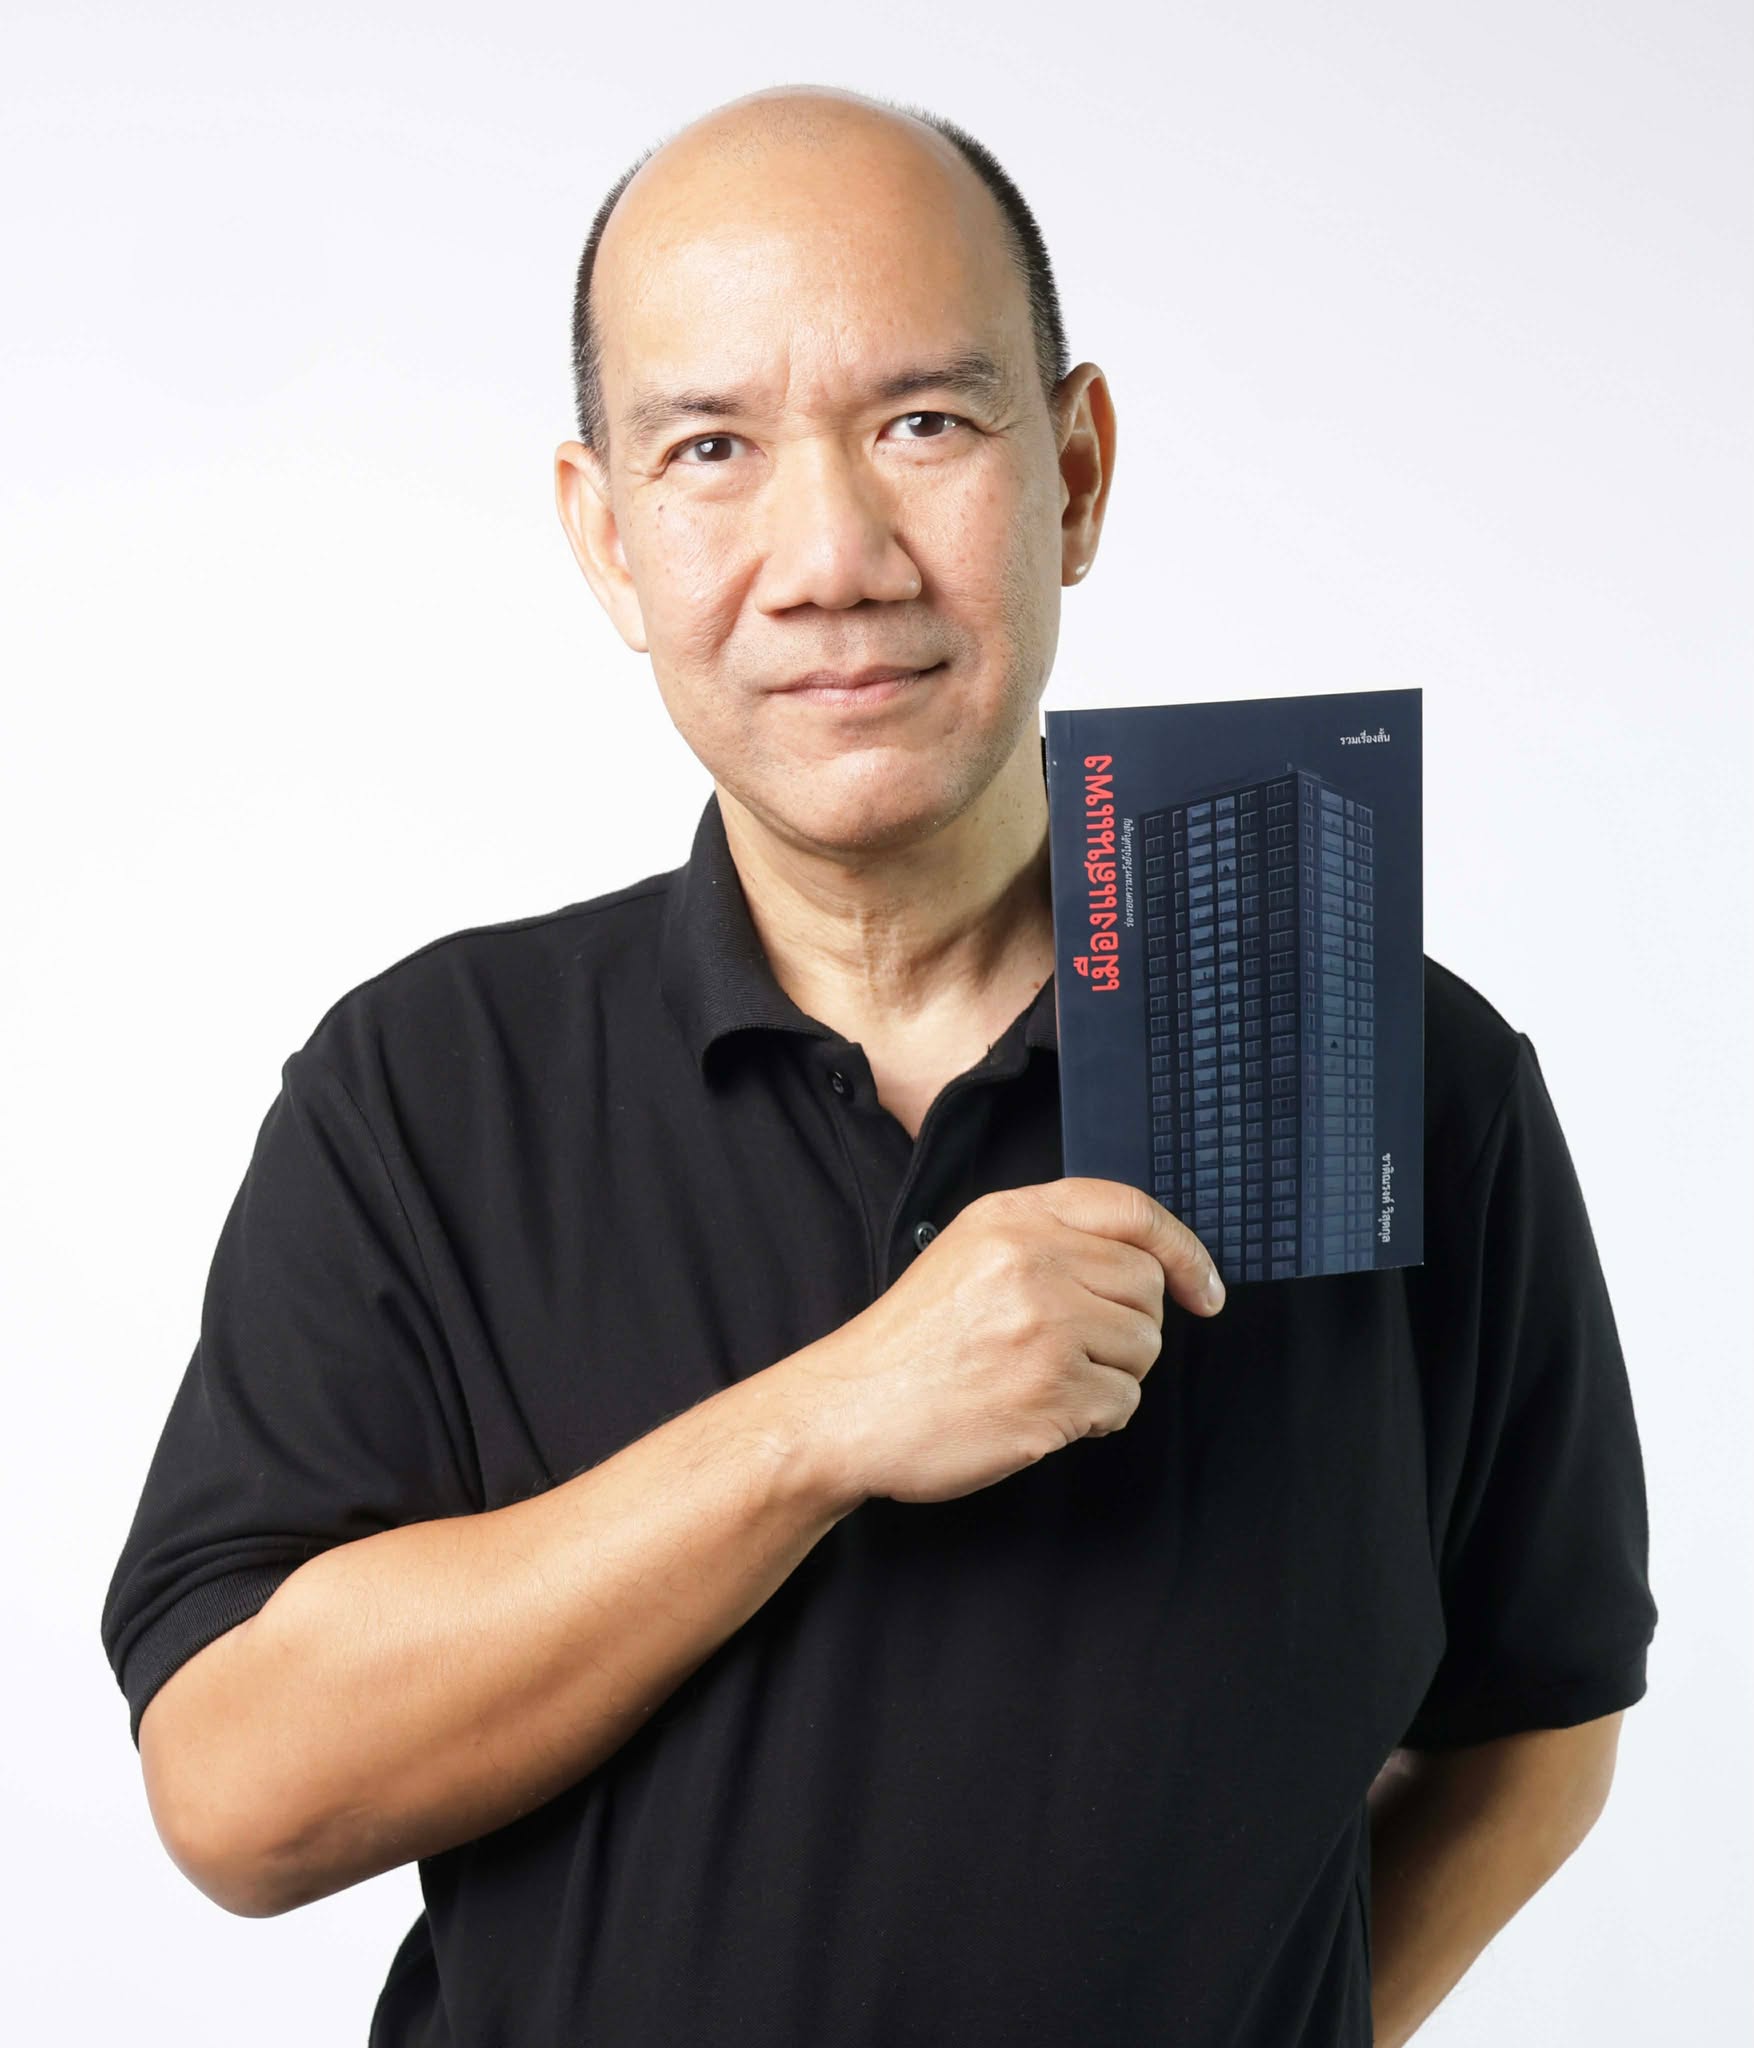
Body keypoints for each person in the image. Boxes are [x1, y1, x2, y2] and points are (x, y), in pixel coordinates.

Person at [100, 83, 1658, 2048]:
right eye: (711, 449)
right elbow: (238, 1799)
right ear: (605, 535)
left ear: (1074, 473)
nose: (831, 556)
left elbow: (1536, 1719)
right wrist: (826, 1422)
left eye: (924, 422)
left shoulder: (1392, 1063)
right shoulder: (422, 1090)